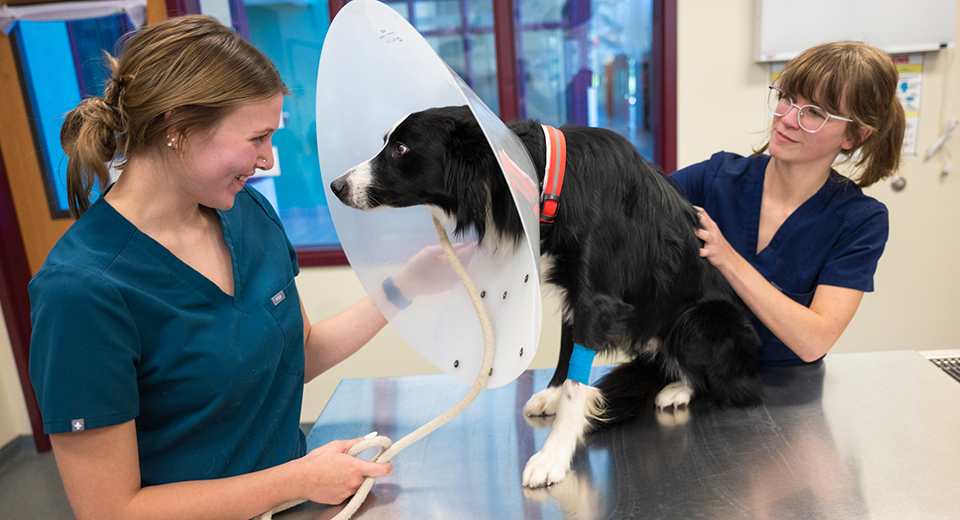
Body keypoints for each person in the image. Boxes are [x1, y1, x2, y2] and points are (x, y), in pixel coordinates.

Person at [28, 15, 394, 520]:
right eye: (257, 138)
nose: (267, 160)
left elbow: (297, 354)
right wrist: (296, 478)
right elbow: (111, 510)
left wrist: (410, 283)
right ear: (177, 128)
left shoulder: (248, 215)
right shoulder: (81, 291)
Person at [669, 41, 905, 366]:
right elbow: (635, 204)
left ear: (854, 136)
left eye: (815, 113)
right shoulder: (715, 178)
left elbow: (814, 341)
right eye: (787, 99)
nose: (788, 119)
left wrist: (727, 258)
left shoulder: (860, 220)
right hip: (688, 380)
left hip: (789, 396)